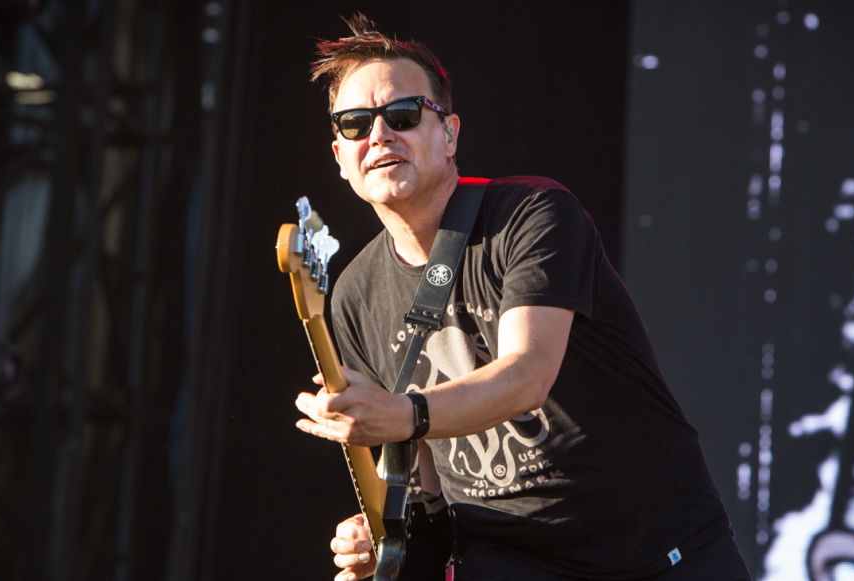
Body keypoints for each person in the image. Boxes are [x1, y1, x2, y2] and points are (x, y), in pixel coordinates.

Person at [294, 14, 751, 581]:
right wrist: (387, 538)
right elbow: (420, 479)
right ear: (340, 157)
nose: (380, 135)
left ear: (450, 133)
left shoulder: (533, 214)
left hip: (657, 552)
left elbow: (528, 375)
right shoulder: (354, 295)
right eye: (356, 124)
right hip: (509, 558)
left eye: (403, 115)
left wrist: (404, 413)